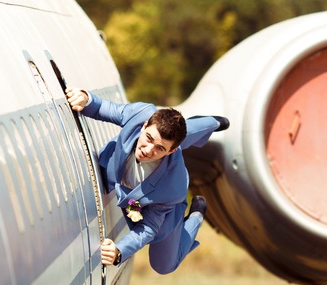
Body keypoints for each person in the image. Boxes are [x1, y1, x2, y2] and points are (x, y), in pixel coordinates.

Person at [66, 87, 229, 274]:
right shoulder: (142, 114)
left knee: (163, 266)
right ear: (143, 126)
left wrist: (119, 251)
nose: (148, 150)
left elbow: (149, 227)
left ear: (171, 152)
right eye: (148, 138)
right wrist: (86, 99)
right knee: (176, 132)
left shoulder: (171, 189)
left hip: (154, 204)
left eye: (159, 148)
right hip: (136, 184)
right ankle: (213, 123)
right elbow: (107, 108)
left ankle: (197, 216)